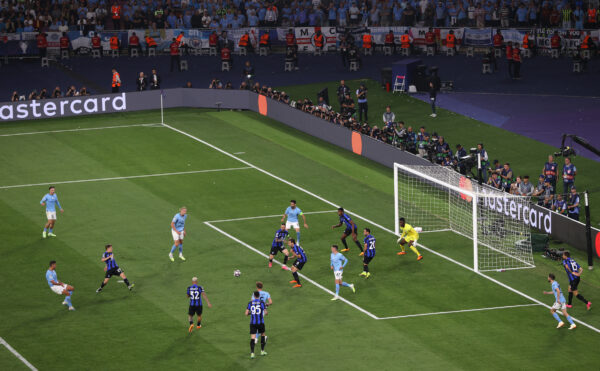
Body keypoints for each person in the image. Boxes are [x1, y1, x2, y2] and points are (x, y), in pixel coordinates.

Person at [246, 291, 267, 358]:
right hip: (260, 322)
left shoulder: (250, 303)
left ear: (254, 296)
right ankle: (262, 351)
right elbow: (266, 313)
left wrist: (251, 313)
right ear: (259, 296)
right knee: (263, 335)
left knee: (253, 337)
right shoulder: (262, 303)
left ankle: (252, 353)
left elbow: (246, 313)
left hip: (253, 323)